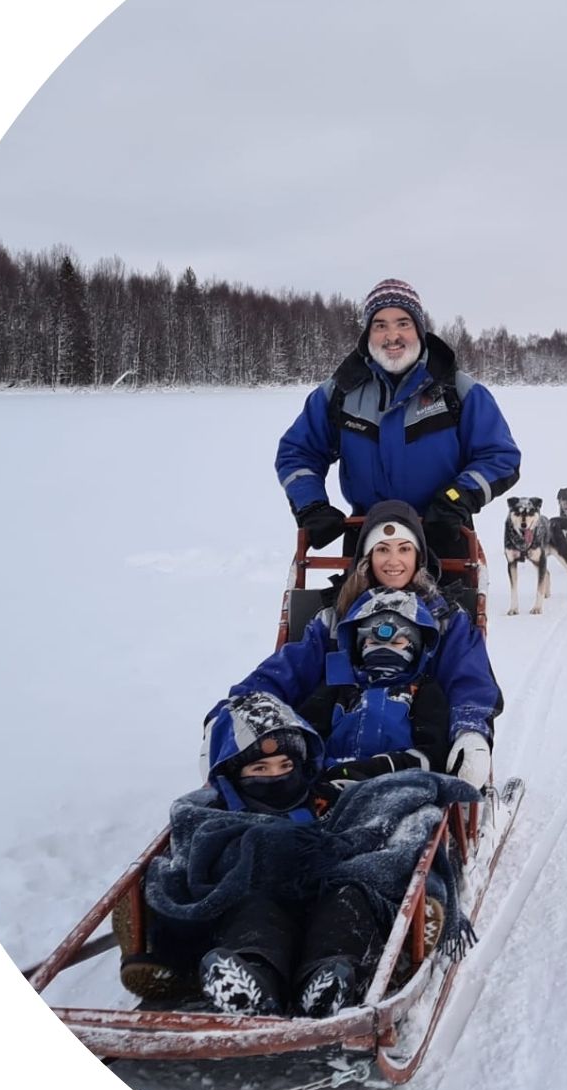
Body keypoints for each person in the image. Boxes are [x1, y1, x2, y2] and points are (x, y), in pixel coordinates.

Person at [144, 690, 480, 1017]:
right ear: (233, 776)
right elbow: (200, 852)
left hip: (328, 898)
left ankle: (331, 981)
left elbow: (370, 817)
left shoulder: (322, 799)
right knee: (253, 907)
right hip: (265, 908)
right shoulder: (222, 814)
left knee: (349, 899)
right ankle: (252, 980)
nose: (276, 776)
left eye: (285, 765)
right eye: (260, 769)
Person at [217, 500, 500, 791]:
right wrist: (231, 717)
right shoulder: (335, 617)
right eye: (382, 549)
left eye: (404, 549)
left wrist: (471, 732)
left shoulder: (446, 619)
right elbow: (283, 673)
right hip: (331, 755)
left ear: (418, 556)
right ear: (367, 556)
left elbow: (469, 679)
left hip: (414, 751)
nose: (393, 561)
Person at [275, 278, 522, 563]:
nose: (392, 336)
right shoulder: (339, 392)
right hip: (367, 539)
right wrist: (312, 505)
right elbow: (298, 452)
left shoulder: (459, 391)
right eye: (380, 325)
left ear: (419, 329)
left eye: (403, 323)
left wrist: (457, 499)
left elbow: (500, 457)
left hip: (442, 533)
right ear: (368, 334)